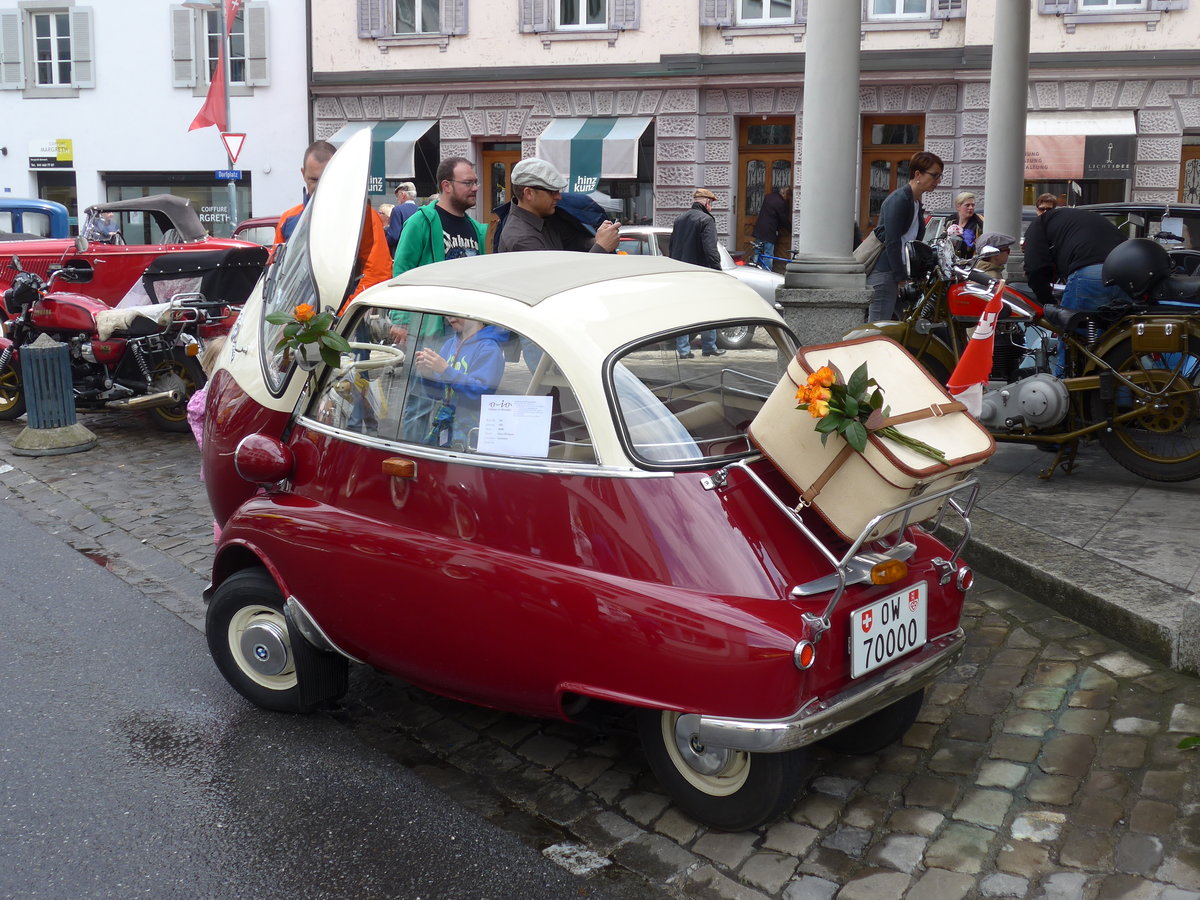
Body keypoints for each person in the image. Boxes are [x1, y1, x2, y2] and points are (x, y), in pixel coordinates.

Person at [273, 139, 392, 314]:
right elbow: (277, 276)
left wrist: (339, 317)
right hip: (298, 320)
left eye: (326, 178)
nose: (319, 186)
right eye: (313, 179)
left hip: (344, 325)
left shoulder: (363, 218)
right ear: (302, 173)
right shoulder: (289, 220)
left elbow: (377, 273)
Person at [1023, 206, 1130, 374]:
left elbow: (1035, 268)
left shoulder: (1038, 226)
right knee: (1117, 346)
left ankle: (1067, 393)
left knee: (1072, 341)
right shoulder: (1076, 219)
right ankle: (1122, 393)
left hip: (1092, 273)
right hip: (1128, 271)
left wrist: (1049, 305)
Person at [868, 150, 945, 322]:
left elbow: (911, 242)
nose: (938, 181)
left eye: (940, 176)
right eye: (934, 175)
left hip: (898, 273)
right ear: (918, 174)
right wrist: (900, 278)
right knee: (876, 330)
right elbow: (892, 241)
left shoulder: (915, 201)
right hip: (887, 273)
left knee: (913, 325)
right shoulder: (900, 199)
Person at [408, 316, 505, 448]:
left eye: (457, 311)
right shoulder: (450, 344)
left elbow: (481, 393)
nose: (449, 317)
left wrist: (445, 370)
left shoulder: (489, 348)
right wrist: (427, 374)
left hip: (472, 431)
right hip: (446, 426)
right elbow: (438, 394)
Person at [496, 158, 619, 254]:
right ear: (529, 193)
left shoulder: (545, 219)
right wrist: (601, 246)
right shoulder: (521, 237)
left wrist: (598, 240)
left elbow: (573, 244)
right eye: (552, 191)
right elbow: (557, 280)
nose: (559, 197)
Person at [668, 187, 725, 359]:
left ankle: (684, 350)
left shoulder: (680, 219)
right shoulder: (706, 220)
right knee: (708, 309)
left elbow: (672, 246)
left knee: (683, 311)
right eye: (712, 204)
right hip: (701, 273)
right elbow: (711, 249)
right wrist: (717, 270)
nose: (712, 207)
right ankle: (709, 346)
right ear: (707, 203)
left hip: (681, 272)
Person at [186, 335, 229, 542]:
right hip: (219, 464)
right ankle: (223, 538)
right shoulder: (205, 399)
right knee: (225, 507)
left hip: (227, 462)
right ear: (209, 369)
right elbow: (205, 440)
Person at [752, 185, 792, 271]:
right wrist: (791, 229)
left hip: (759, 229)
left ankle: (754, 270)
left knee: (757, 251)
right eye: (788, 196)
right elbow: (783, 219)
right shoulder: (780, 202)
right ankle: (766, 273)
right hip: (769, 232)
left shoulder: (768, 197)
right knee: (768, 254)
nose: (787, 199)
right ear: (784, 193)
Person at [384, 181, 419, 254]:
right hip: (417, 253)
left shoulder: (397, 210)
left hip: (401, 254)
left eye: (397, 196)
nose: (397, 199)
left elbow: (393, 237)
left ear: (403, 195)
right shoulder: (420, 210)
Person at [946, 191, 984, 258]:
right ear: (958, 207)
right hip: (951, 262)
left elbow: (982, 246)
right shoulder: (950, 222)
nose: (971, 208)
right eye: (967, 205)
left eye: (973, 205)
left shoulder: (979, 223)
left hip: (971, 263)